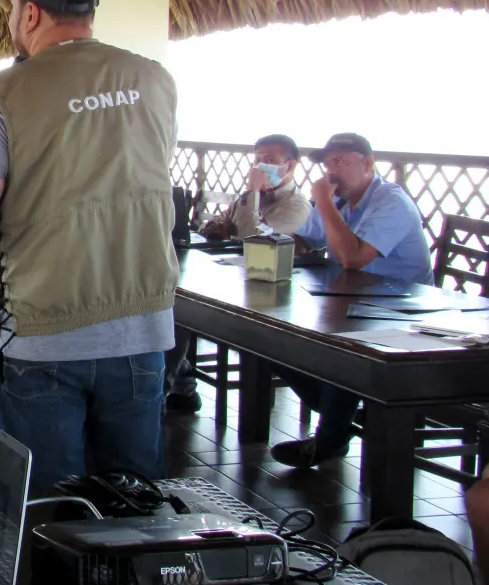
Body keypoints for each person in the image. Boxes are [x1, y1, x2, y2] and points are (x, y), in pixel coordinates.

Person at [0, 0, 179, 492]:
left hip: (40, 331)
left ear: (29, 12)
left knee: (48, 506)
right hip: (141, 326)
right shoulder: (156, 81)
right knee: (135, 506)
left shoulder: (1, 97)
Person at [272, 133, 432, 468]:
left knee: (344, 350)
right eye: (329, 163)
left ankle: (329, 438)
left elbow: (353, 257)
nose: (332, 171)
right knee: (269, 336)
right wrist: (270, 242)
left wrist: (325, 202)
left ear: (368, 163)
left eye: (341, 162)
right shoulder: (340, 201)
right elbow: (309, 238)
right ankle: (338, 407)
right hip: (351, 301)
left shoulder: (391, 201)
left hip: (403, 309)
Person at [165, 134, 311, 413]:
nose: (261, 166)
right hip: (237, 279)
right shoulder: (252, 198)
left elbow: (255, 240)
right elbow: (224, 221)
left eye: (270, 161)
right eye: (257, 160)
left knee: (179, 311)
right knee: (175, 306)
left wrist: (253, 192)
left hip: (272, 292)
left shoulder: (296, 205)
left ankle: (167, 389)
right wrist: (218, 226)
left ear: (290, 166)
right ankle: (180, 385)